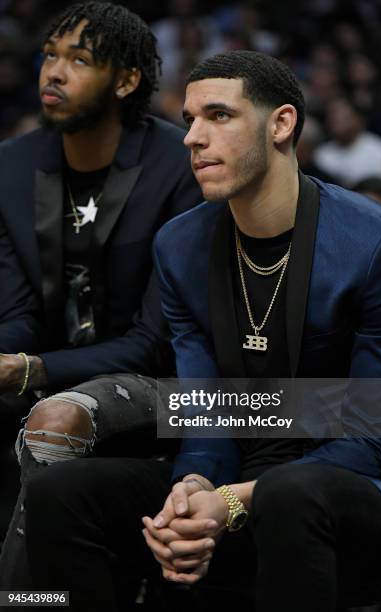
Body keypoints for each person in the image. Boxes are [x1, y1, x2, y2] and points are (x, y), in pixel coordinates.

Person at [23, 51, 381, 612]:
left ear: (281, 124)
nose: (193, 138)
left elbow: (377, 433)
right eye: (189, 120)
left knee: (289, 492)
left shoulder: (377, 244)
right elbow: (207, 404)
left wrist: (234, 500)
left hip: (357, 483)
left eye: (219, 116)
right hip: (241, 468)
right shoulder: (178, 246)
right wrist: (196, 488)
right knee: (63, 493)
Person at [0, 1, 202, 589]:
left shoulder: (178, 167)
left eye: (78, 60)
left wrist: (29, 369)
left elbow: (151, 341)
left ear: (126, 80)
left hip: (162, 383)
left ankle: (25, 600)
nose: (53, 73)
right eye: (50, 55)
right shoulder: (12, 167)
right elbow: (17, 312)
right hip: (48, 368)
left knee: (51, 419)